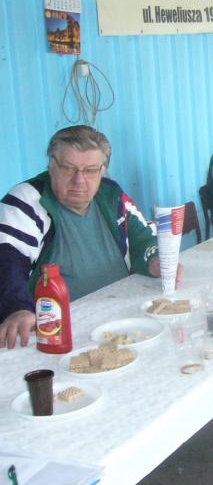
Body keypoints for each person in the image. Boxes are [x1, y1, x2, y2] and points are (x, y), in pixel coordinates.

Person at [0, 125, 178, 349]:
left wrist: (155, 260)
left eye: (91, 170)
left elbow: (143, 237)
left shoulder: (111, 194)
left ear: (103, 170)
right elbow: (7, 260)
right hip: (60, 333)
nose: (79, 180)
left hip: (123, 319)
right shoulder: (26, 201)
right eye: (68, 168)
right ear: (51, 166)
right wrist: (17, 307)